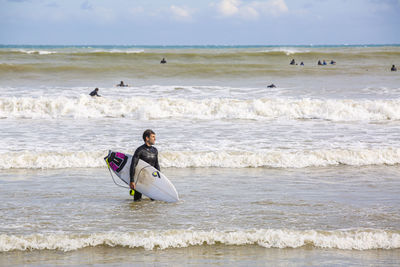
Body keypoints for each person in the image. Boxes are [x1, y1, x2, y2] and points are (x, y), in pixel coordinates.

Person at [129, 129, 160, 201]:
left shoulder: (155, 150)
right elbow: (133, 165)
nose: (155, 138)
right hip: (140, 178)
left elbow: (156, 165)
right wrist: (132, 180)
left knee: (154, 200)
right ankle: (137, 212)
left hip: (151, 178)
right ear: (147, 138)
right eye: (153, 136)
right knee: (137, 201)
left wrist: (159, 178)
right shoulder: (140, 150)